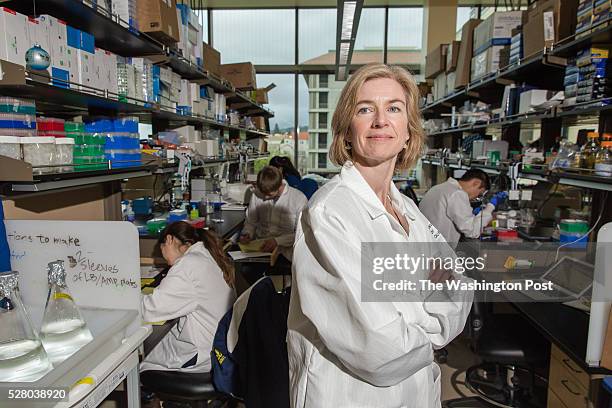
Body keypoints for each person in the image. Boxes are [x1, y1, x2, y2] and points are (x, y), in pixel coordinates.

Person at [287, 64, 473, 407]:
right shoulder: (329, 214)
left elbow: (460, 279)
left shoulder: (407, 209)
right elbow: (381, 351)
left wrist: (413, 315)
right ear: (346, 131)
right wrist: (435, 315)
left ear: (407, 133)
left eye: (394, 108)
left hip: (415, 391)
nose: (380, 120)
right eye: (365, 109)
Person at [140, 221, 235, 373]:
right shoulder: (206, 255)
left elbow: (150, 309)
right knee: (156, 346)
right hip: (220, 346)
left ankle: (147, 394)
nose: (166, 261)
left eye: (162, 249)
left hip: (202, 355)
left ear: (169, 240)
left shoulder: (187, 265)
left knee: (141, 361)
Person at [419, 169, 507, 247]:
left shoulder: (439, 188)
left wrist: (475, 216)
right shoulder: (457, 194)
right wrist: (490, 207)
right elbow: (472, 231)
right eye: (479, 193)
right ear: (476, 183)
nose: (476, 197)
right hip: (437, 252)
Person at [240, 165, 307, 262]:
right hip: (260, 247)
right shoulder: (257, 194)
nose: (264, 198)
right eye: (263, 193)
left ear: (280, 186)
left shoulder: (298, 199)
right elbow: (251, 222)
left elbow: (301, 234)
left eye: (269, 195)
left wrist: (277, 241)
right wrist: (247, 234)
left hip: (286, 249)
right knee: (246, 269)